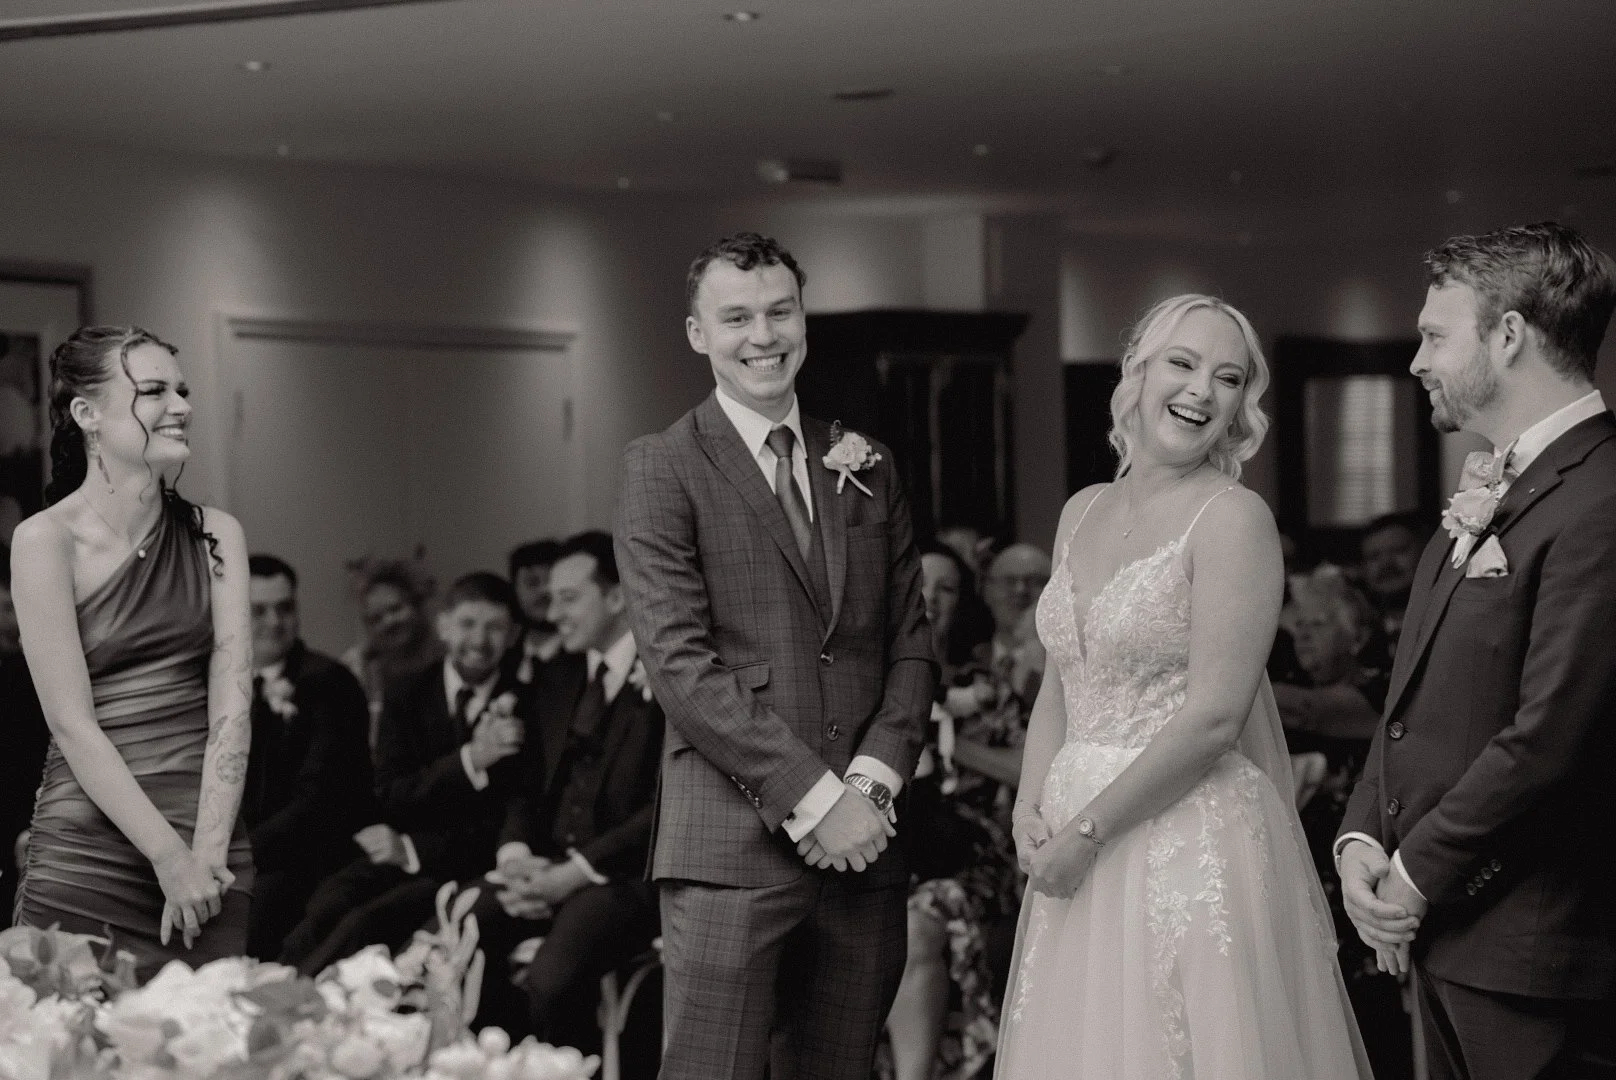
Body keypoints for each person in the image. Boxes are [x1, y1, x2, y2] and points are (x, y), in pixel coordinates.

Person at [995, 295, 1370, 1078]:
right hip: (1069, 841)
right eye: (1183, 363)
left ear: (1240, 406)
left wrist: (1086, 833)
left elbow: (1213, 719)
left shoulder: (1234, 520)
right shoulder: (1079, 511)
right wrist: (1031, 809)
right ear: (1137, 367)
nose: (1203, 390)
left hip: (1181, 838)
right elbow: (1064, 683)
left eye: (1227, 377)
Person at [615, 232, 935, 1080]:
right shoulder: (662, 466)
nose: (763, 335)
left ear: (803, 318)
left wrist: (867, 789)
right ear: (697, 334)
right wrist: (814, 798)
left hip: (866, 845)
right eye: (737, 317)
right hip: (730, 850)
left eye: (779, 311)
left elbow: (910, 642)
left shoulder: (864, 460)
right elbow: (680, 667)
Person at [1337, 222, 1616, 1079]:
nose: (1416, 360)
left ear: (1507, 335)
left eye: (1432, 335)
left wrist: (1413, 875)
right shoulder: (1493, 488)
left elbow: (1551, 739)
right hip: (1446, 942)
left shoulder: (1599, 499)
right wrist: (1358, 843)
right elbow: (1409, 704)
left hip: (1535, 954)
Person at [10, 326, 253, 977]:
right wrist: (168, 860)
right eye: (153, 391)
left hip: (210, 844)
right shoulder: (43, 541)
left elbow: (233, 705)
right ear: (87, 415)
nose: (181, 404)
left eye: (183, 389)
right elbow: (70, 721)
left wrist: (205, 853)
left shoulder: (216, 535)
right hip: (88, 850)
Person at [467, 531, 662, 1046]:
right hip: (548, 867)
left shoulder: (670, 676)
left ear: (618, 597)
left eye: (568, 598)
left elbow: (663, 809)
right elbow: (525, 784)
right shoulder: (556, 675)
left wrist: (570, 877)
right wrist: (515, 857)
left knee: (550, 982)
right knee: (467, 926)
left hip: (627, 877)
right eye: (550, 598)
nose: (552, 614)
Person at [281, 571, 528, 975]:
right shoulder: (407, 692)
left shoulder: (529, 703)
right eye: (468, 624)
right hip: (403, 844)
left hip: (464, 865)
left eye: (495, 627)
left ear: (514, 635)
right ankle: (271, 995)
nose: (480, 641)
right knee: (329, 899)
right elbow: (390, 793)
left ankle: (304, 1008)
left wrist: (413, 850)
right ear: (444, 625)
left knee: (367, 925)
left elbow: (507, 818)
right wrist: (471, 760)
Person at [882, 540, 1016, 1080]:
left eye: (948, 587)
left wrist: (947, 738)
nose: (931, 598)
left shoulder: (983, 685)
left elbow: (1036, 765)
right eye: (921, 584)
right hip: (889, 850)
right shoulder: (872, 678)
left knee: (915, 927)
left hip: (971, 857)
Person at [1278, 565, 1410, 1079]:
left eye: (1318, 623)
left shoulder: (1382, 687)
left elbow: (1313, 713)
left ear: (1355, 636)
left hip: (1359, 873)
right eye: (1300, 625)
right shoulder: (1286, 685)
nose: (1303, 634)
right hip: (1301, 875)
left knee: (1370, 1026)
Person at [242, 554, 375, 959]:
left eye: (285, 608)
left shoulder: (329, 683)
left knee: (255, 907)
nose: (274, 622)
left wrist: (241, 854)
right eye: (258, 610)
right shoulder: (210, 682)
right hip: (235, 851)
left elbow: (319, 801)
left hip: (306, 858)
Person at [342, 557, 444, 739]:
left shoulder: (446, 658)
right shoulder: (358, 668)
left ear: (416, 606)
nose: (388, 622)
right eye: (376, 618)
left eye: (395, 609)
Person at [1, 556, 51, 923]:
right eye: (5, 609)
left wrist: (25, 826)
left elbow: (27, 757)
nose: (11, 620)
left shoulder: (26, 675)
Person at [1358, 511, 1430, 655]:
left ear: (1425, 553)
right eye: (1374, 557)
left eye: (1398, 550)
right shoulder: (1356, 639)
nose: (1386, 564)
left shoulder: (1451, 624)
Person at [505, 538, 562, 684]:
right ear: (514, 590)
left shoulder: (586, 658)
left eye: (552, 582)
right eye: (532, 582)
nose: (544, 591)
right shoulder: (502, 655)